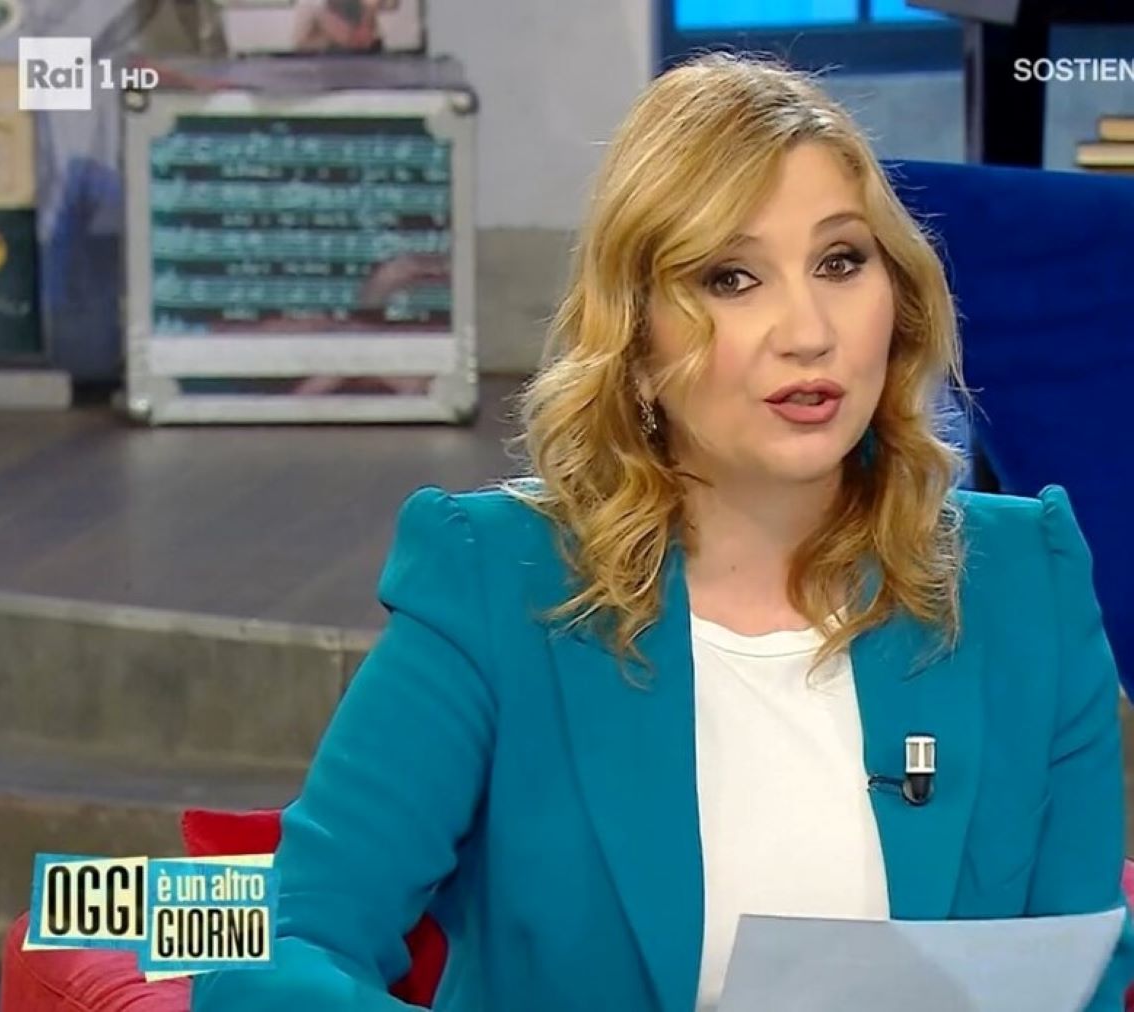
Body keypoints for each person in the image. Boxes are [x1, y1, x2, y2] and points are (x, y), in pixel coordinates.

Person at [191, 52, 1134, 1011]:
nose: (808, 331)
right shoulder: (496, 580)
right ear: (637, 342)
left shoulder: (1025, 580)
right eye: (732, 278)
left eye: (841, 262)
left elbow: (1083, 970)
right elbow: (283, 945)